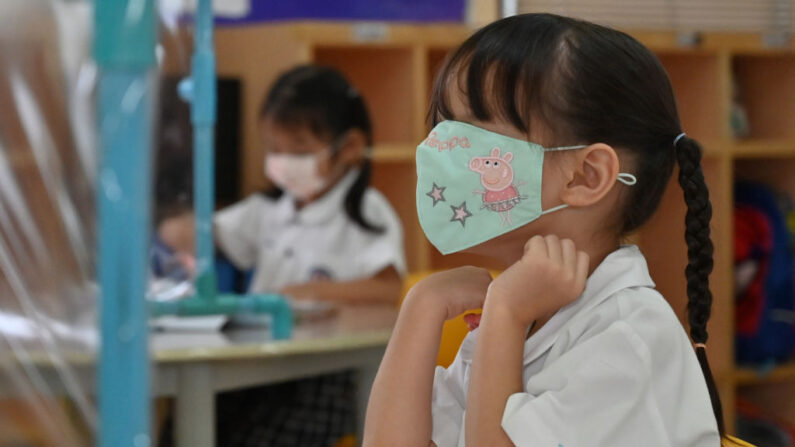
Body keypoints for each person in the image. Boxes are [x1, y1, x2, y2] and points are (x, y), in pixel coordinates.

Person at [365, 13, 726, 447]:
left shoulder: (628, 337)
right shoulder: (523, 312)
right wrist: (420, 308)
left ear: (585, 177)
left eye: (472, 130)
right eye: (444, 124)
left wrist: (507, 315)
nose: (443, 149)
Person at [158, 65, 405, 446]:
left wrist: (307, 293)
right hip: (260, 363)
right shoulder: (269, 210)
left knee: (255, 436)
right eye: (275, 149)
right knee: (186, 422)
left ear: (350, 147)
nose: (285, 162)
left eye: (301, 151)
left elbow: (389, 290)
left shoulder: (366, 212)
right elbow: (205, 235)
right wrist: (179, 230)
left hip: (323, 376)